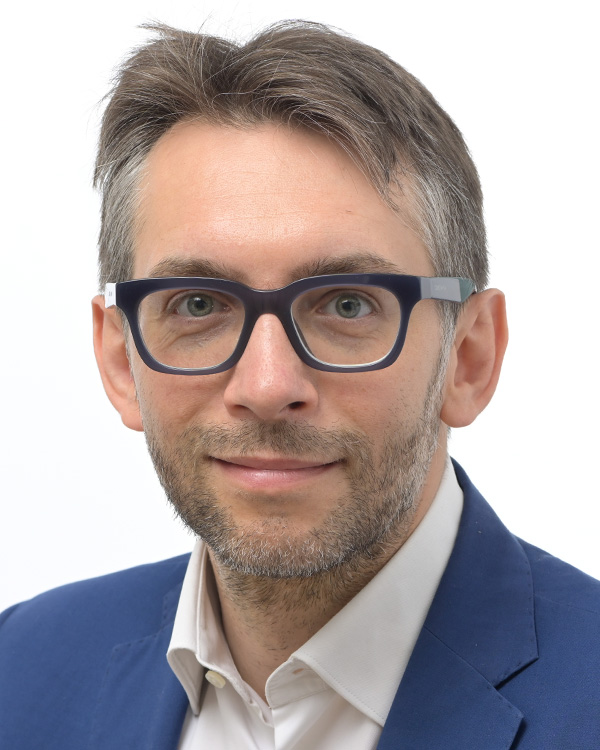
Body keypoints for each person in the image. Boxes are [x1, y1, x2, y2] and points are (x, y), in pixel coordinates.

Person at [1, 20, 598, 750]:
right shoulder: (19, 671)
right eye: (198, 304)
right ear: (121, 359)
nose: (266, 385)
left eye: (347, 304)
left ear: (468, 357)